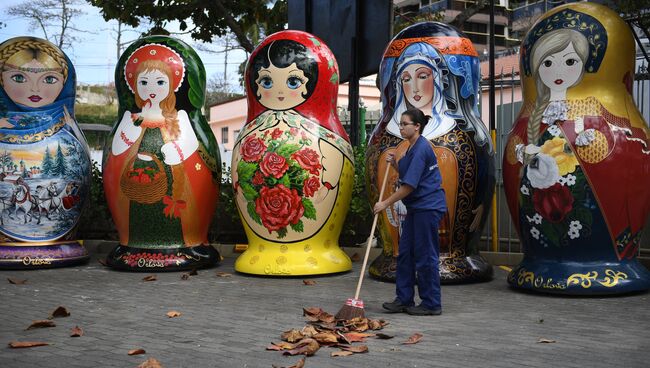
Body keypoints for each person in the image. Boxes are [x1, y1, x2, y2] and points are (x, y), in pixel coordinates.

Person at [373, 108, 447, 316]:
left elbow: (409, 186)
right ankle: (404, 299)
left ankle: (431, 303)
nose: (401, 127)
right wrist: (395, 164)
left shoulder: (421, 148)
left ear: (417, 126)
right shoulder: (411, 147)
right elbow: (410, 174)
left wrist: (385, 203)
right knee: (405, 254)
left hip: (427, 207)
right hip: (416, 208)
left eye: (405, 124)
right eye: (401, 124)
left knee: (425, 255)